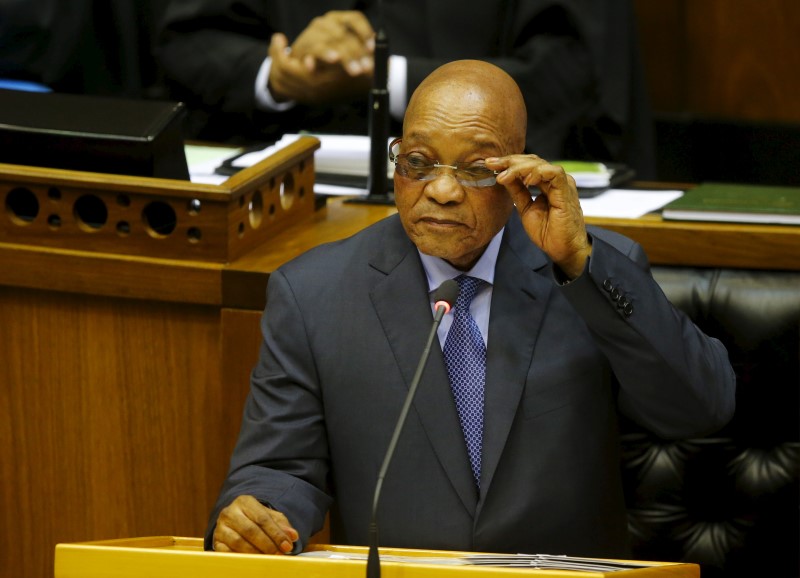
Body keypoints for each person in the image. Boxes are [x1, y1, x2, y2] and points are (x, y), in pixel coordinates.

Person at [206, 60, 735, 558]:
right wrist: (259, 516)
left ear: (520, 171)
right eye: (416, 163)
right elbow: (278, 470)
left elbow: (697, 407)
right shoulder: (314, 294)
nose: (440, 189)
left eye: (475, 169)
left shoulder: (588, 270)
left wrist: (581, 265)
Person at [156, 0, 655, 177]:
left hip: (483, 206)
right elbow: (186, 40)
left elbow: (574, 70)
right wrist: (279, 74)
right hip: (276, 194)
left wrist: (387, 77)